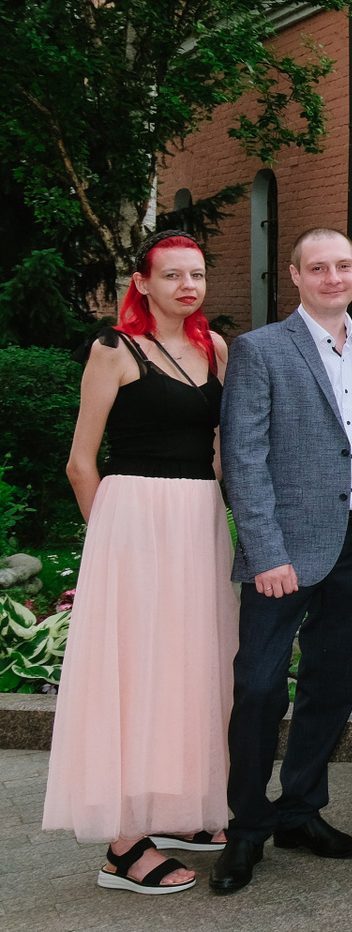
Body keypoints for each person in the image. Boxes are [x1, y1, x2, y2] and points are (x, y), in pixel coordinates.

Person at [46, 234, 233, 896]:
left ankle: (180, 810)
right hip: (132, 521)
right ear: (142, 282)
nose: (188, 286)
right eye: (172, 275)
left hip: (199, 520)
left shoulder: (216, 349)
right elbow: (80, 462)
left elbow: (219, 451)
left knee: (189, 666)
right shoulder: (113, 350)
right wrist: (110, 540)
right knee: (132, 670)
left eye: (197, 274)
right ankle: (123, 845)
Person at [214, 229, 352, 895]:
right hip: (284, 550)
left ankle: (300, 811)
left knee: (332, 684)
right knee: (260, 687)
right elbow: (243, 458)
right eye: (318, 268)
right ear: (294, 275)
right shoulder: (260, 350)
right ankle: (245, 826)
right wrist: (264, 551)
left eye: (344, 266)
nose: (333, 278)